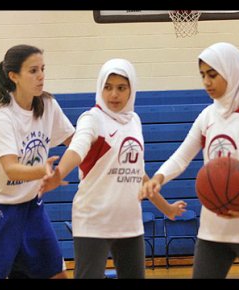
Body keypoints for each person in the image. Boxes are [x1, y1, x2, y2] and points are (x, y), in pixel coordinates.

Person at [140, 42, 239, 279]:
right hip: (214, 228)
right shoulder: (207, 116)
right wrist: (159, 178)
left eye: (213, 75)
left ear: (231, 71)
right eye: (203, 75)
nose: (206, 82)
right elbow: (182, 155)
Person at [38, 58, 187, 279]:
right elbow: (77, 148)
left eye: (121, 88)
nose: (114, 94)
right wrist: (59, 172)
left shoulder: (134, 121)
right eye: (107, 87)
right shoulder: (92, 119)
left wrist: (167, 209)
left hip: (130, 223)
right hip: (93, 221)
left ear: (131, 90)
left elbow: (139, 174)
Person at [0, 44, 75, 279]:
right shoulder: (1, 116)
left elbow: (75, 141)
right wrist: (43, 171)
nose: (41, 76)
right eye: (33, 70)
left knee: (57, 275)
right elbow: (11, 170)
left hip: (30, 207)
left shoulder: (48, 105)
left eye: (43, 69)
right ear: (13, 76)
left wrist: (98, 144)